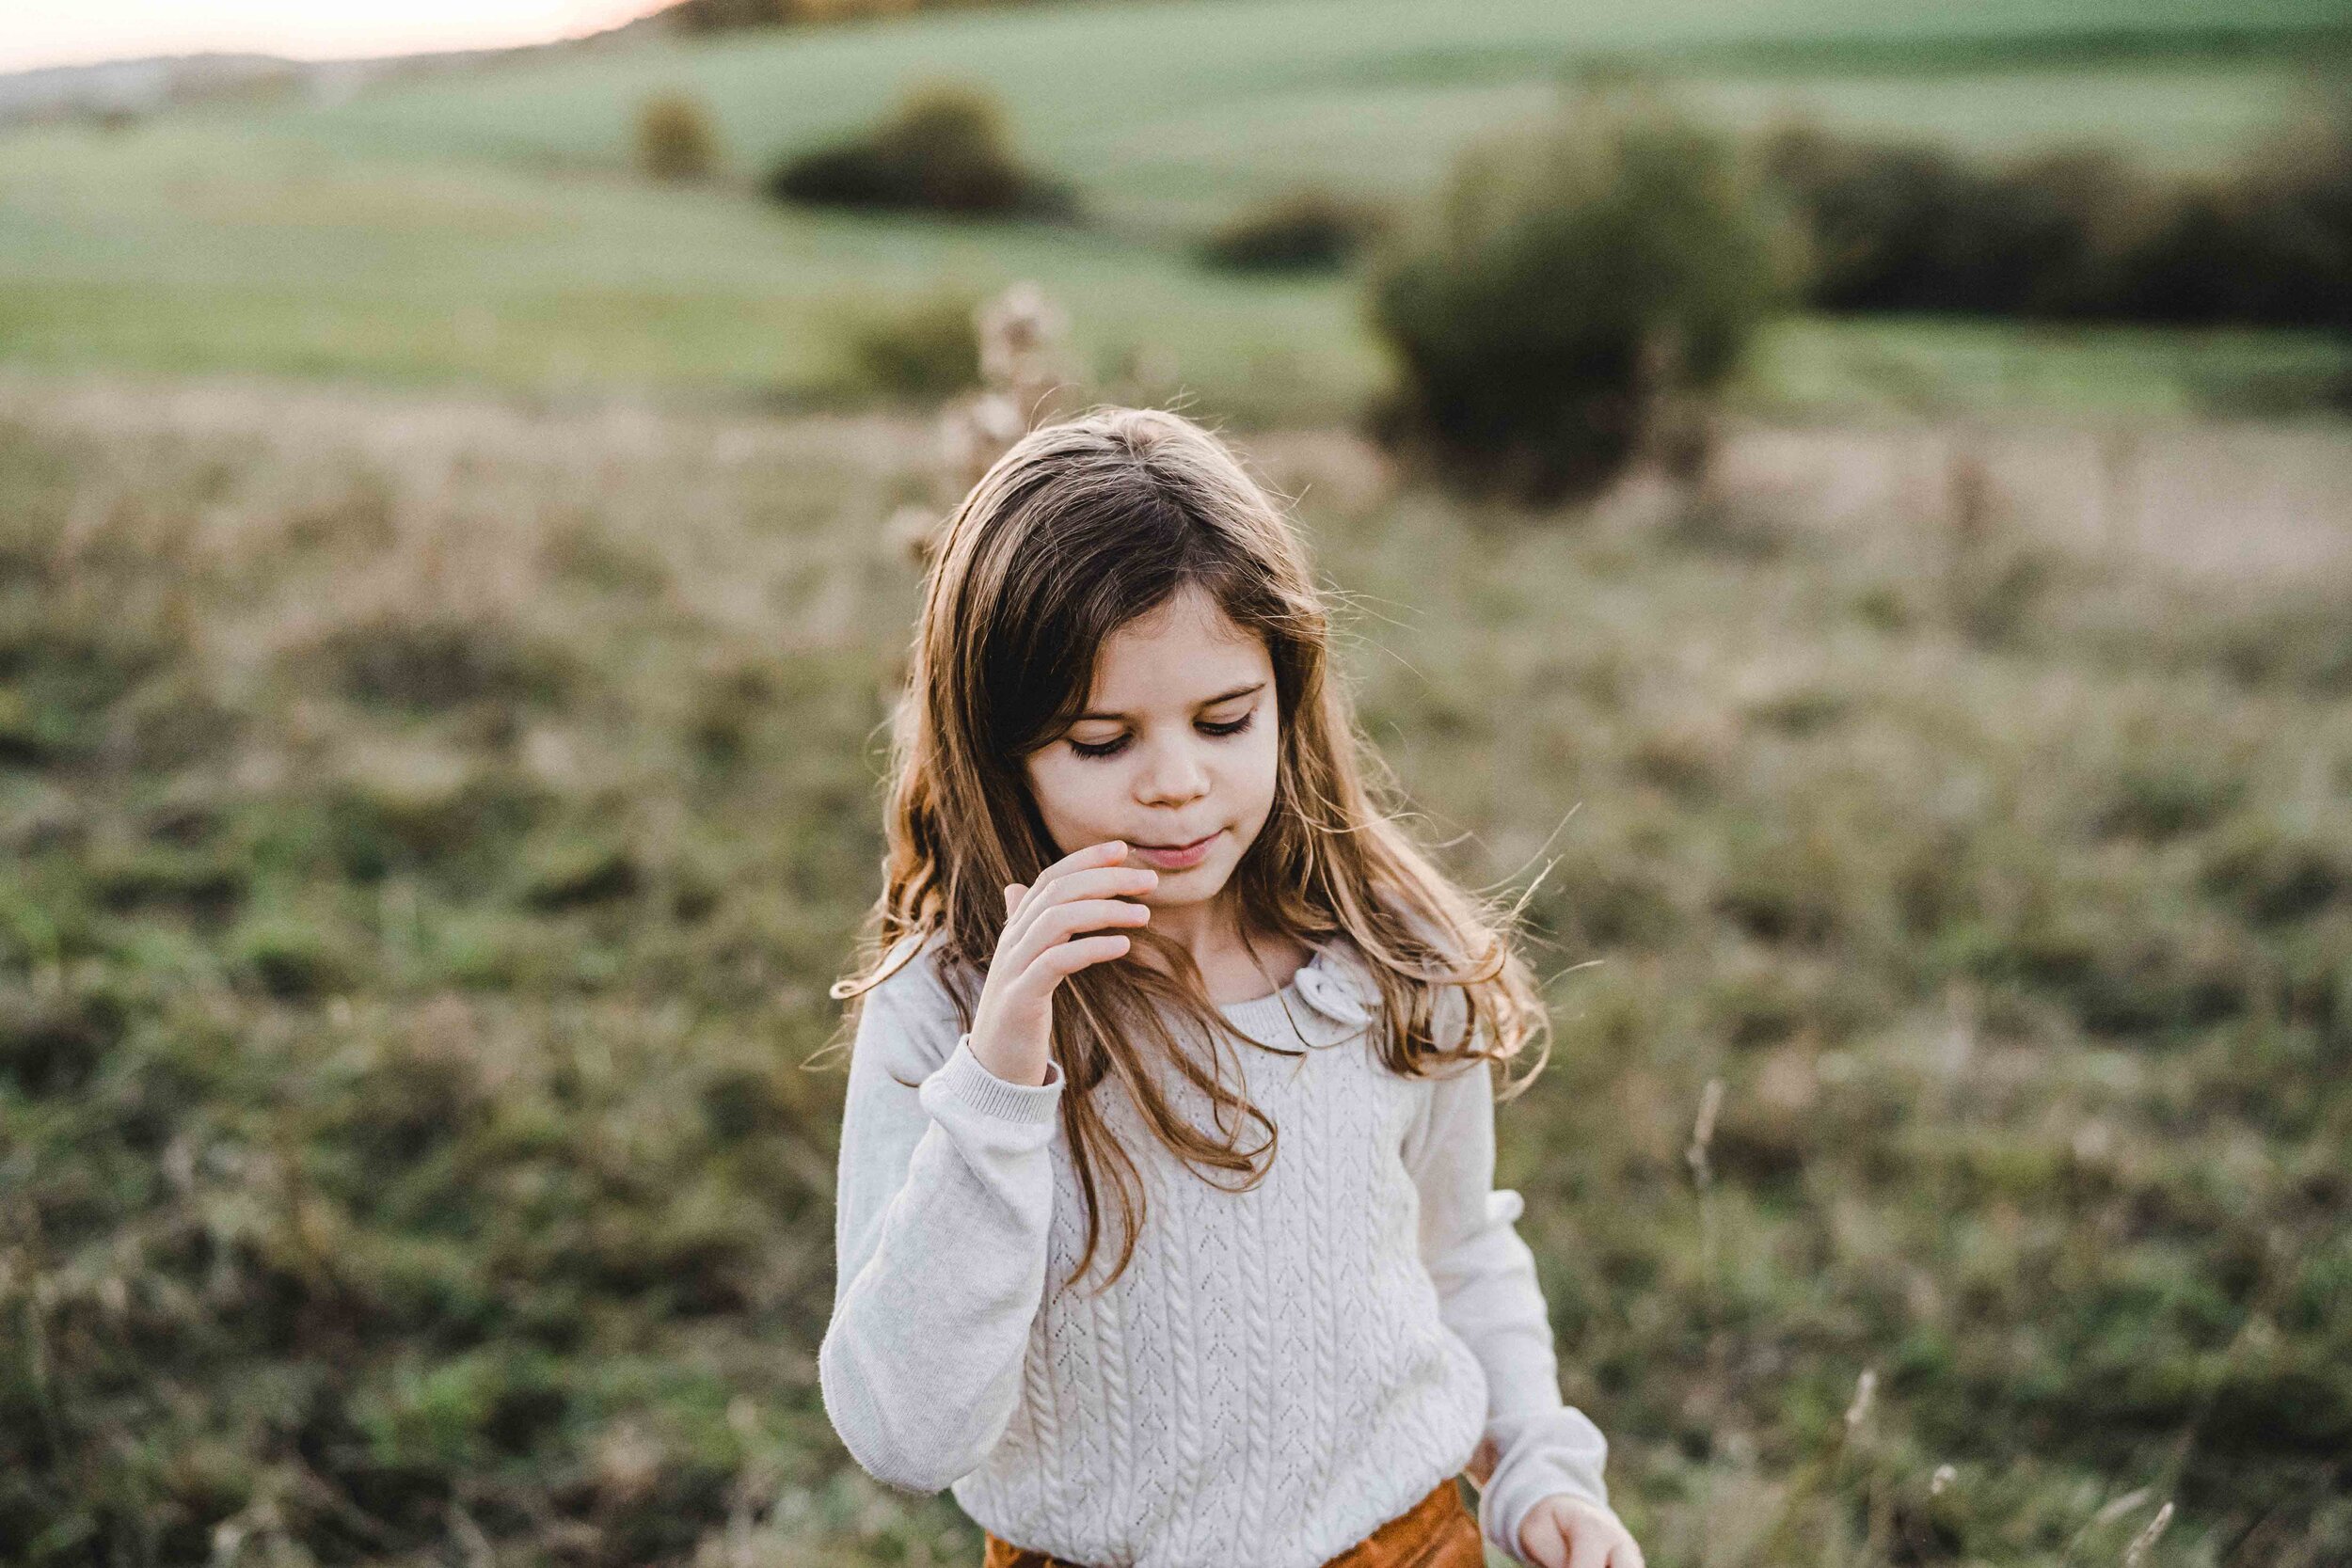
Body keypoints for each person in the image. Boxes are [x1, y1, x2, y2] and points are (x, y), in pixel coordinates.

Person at [818, 406, 1645, 1568]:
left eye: (1223, 720)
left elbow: (1457, 1246)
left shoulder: (1381, 949)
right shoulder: (945, 1010)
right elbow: (906, 1432)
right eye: (1101, 740)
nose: (1176, 785)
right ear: (996, 749)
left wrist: (1539, 1467)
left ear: (1288, 692)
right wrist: (1000, 1080)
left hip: (1402, 1542)